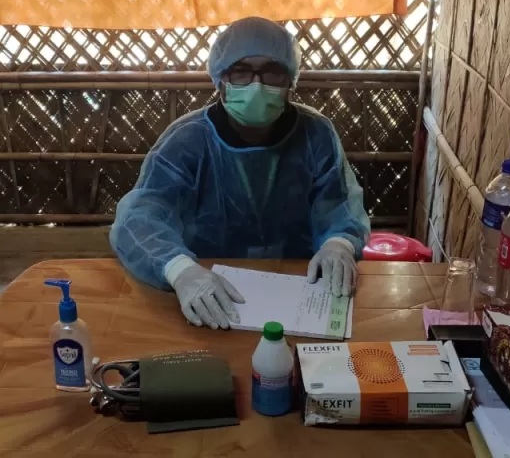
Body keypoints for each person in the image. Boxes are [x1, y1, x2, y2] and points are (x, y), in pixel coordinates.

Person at [109, 17, 370, 330]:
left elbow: (339, 205)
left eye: (272, 71)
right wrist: (181, 271)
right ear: (221, 79)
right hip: (206, 288)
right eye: (241, 71)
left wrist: (338, 245)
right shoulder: (187, 140)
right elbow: (139, 220)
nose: (257, 85)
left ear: (291, 80)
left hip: (301, 287)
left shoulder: (316, 135)